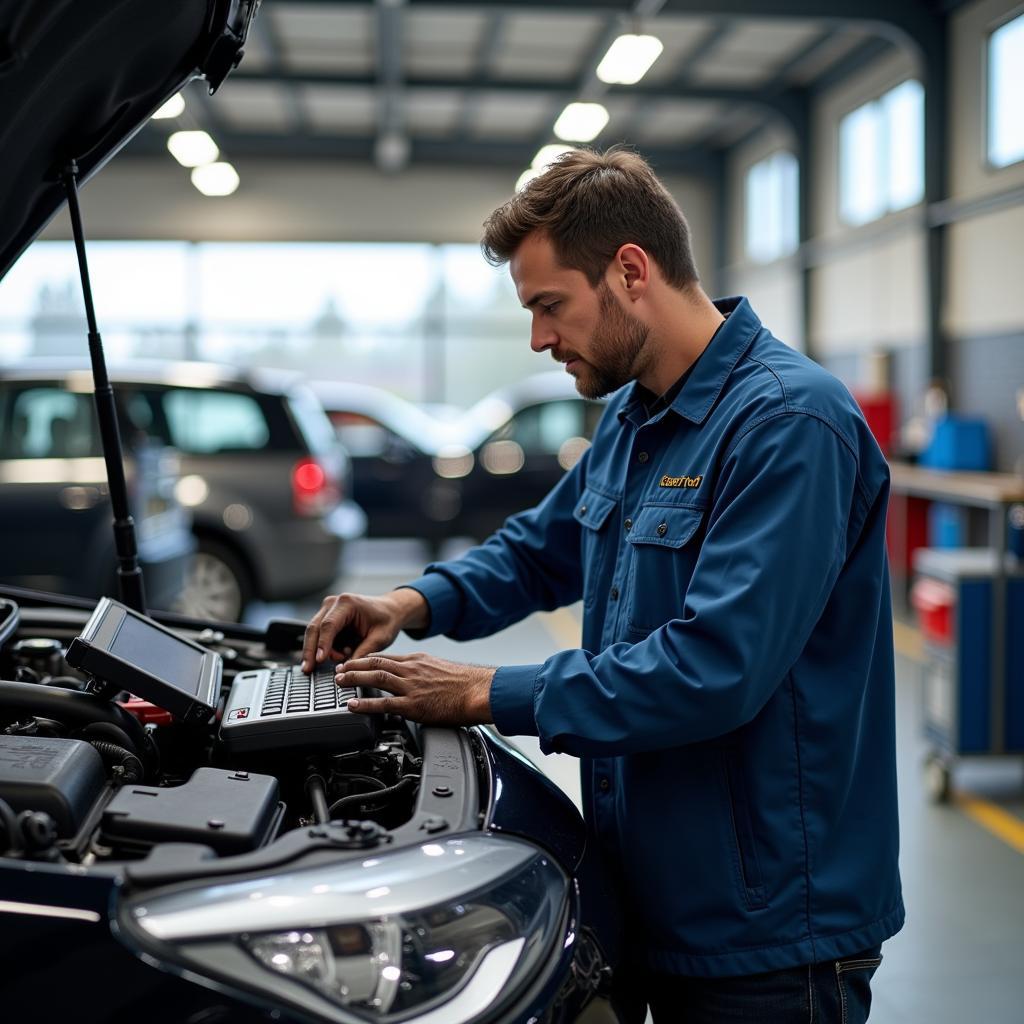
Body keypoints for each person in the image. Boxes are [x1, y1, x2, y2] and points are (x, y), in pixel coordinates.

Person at [302, 147, 904, 1023]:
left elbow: (716, 665)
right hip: (652, 894)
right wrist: (408, 604)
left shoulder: (790, 424)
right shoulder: (635, 417)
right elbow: (537, 552)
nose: (540, 338)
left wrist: (482, 691)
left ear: (630, 271)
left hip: (770, 928)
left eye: (550, 306)